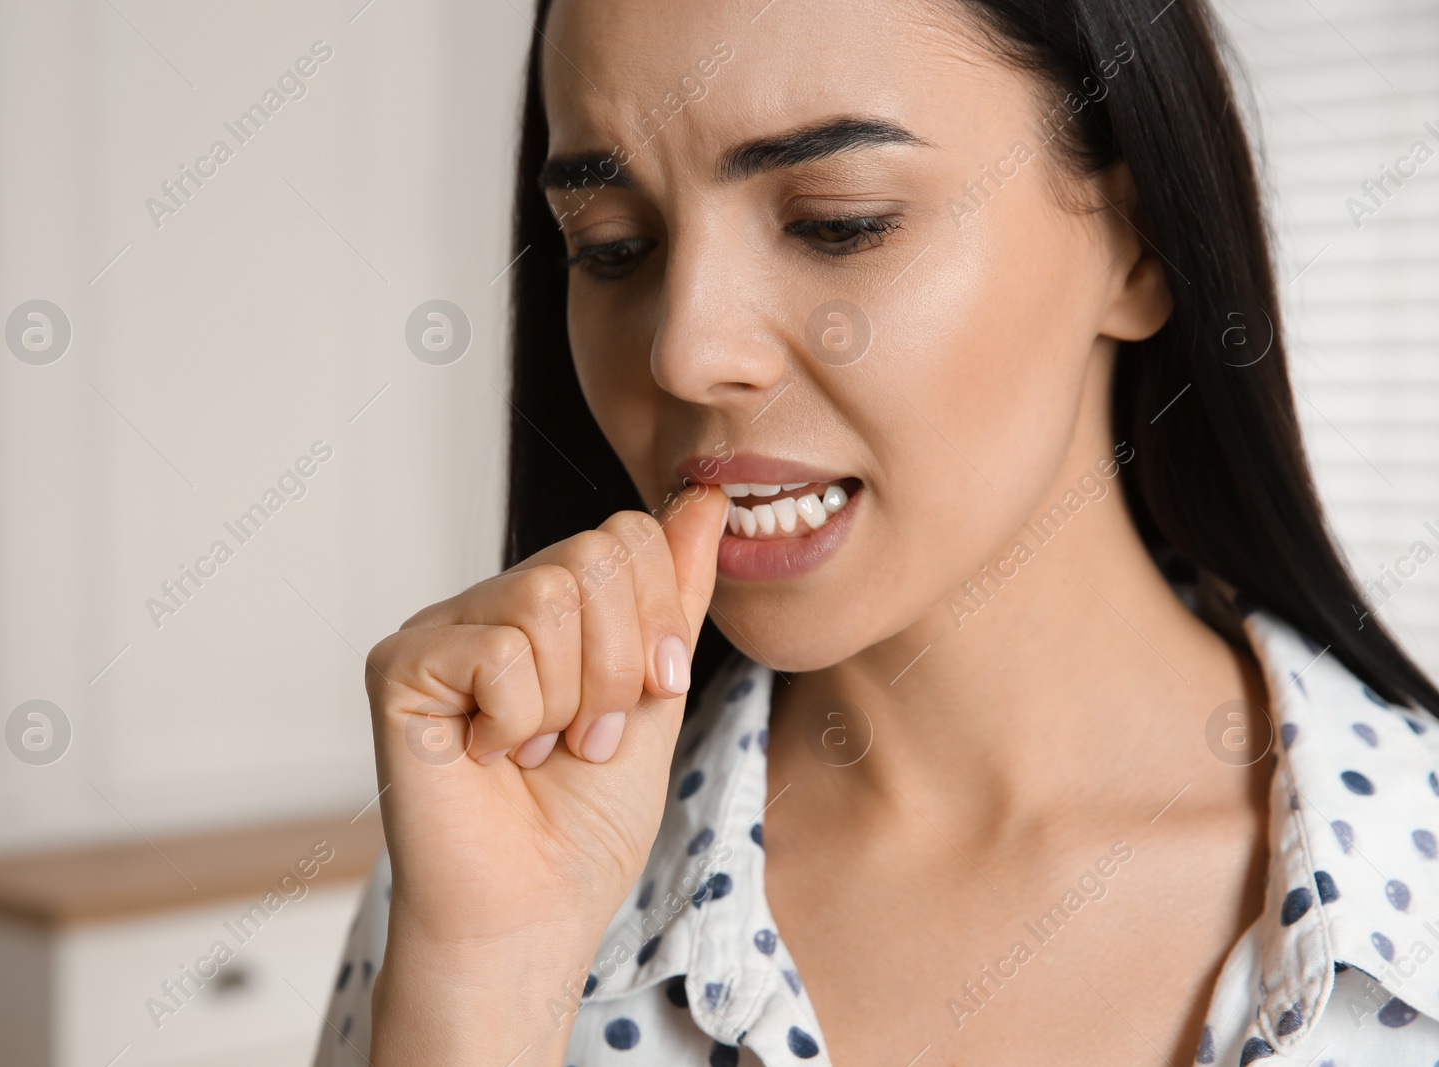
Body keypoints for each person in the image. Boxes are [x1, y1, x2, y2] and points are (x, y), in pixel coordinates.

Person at [315, 0, 1439, 1063]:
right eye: (611, 245)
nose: (685, 350)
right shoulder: (481, 888)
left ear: (1137, 241)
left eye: (836, 224)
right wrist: (482, 985)